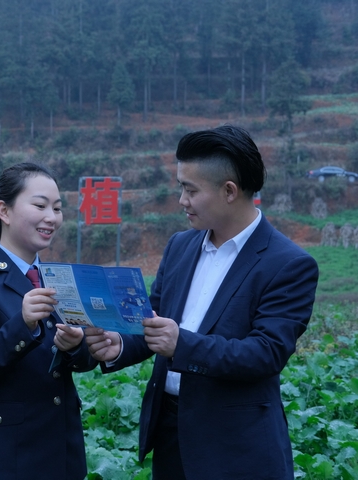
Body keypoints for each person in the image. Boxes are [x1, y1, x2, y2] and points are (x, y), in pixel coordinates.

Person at [85, 125, 319, 480]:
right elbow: (153, 319)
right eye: (181, 187)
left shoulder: (287, 264)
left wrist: (183, 343)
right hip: (171, 434)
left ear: (229, 191)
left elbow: (266, 353)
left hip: (236, 447)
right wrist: (120, 344)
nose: (182, 200)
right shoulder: (181, 245)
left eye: (190, 190)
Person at [0, 162, 97, 480]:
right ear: (4, 210)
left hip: (61, 450)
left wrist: (76, 346)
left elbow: (84, 362)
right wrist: (22, 324)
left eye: (57, 208)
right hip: (6, 455)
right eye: (40, 205)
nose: (52, 217)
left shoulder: (60, 279)